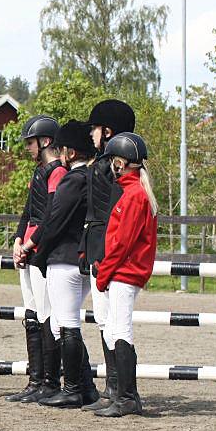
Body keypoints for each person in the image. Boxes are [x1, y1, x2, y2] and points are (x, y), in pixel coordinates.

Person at [19, 120, 100, 408]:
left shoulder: (71, 180)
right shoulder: (91, 178)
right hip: (77, 258)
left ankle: (73, 388)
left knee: (63, 323)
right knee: (63, 322)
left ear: (70, 151)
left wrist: (33, 249)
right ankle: (86, 388)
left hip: (63, 258)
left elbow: (54, 221)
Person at [93, 133, 157, 417]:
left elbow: (121, 243)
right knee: (118, 329)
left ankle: (127, 397)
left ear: (121, 162)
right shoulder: (132, 193)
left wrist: (103, 274)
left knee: (120, 331)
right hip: (125, 272)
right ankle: (125, 395)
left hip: (124, 272)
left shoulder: (133, 196)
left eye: (113, 161)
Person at [81, 99, 136, 409]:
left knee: (113, 321)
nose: (91, 136)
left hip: (107, 250)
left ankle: (120, 391)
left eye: (95, 130)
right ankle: (112, 388)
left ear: (108, 132)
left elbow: (113, 217)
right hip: (96, 246)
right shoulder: (102, 165)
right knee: (103, 320)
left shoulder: (110, 168)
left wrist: (100, 254)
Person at [6, 115, 64, 403]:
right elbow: (28, 211)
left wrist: (30, 243)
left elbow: (51, 214)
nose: (27, 148)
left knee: (45, 313)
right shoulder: (37, 172)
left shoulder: (57, 172)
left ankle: (50, 381)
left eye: (30, 143)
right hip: (27, 247)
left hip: (40, 249)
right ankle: (35, 378)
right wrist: (18, 239)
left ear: (45, 141)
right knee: (31, 314)